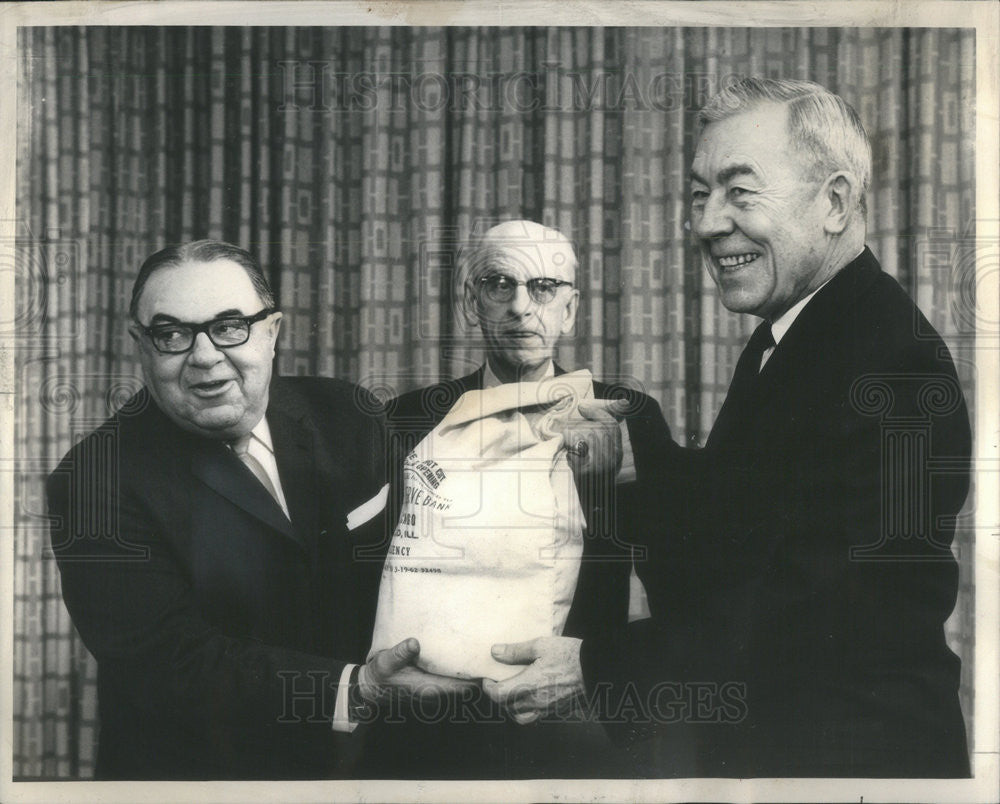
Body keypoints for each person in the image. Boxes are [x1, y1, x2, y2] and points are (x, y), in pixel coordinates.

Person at [490, 79, 973, 778]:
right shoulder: (799, 330)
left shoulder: (898, 368)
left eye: (740, 192)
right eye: (699, 195)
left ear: (835, 202)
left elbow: (826, 619)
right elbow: (740, 544)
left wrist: (598, 665)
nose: (708, 223)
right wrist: (633, 457)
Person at [46, 240, 470, 780]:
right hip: (200, 779)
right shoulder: (93, 478)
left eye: (229, 326)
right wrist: (354, 690)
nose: (203, 356)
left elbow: (432, 515)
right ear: (141, 345)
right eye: (171, 334)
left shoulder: (347, 411)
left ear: (272, 332)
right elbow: (167, 662)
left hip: (369, 771)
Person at [366, 220, 674, 778]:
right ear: (471, 300)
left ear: (570, 308)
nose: (520, 308)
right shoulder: (406, 420)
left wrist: (616, 476)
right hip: (430, 721)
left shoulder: (624, 414)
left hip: (572, 718)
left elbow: (672, 561)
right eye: (500, 284)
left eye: (543, 288)